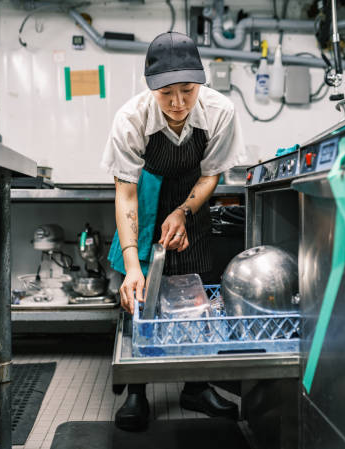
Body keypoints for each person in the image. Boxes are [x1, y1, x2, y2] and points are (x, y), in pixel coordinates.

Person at [101, 31, 246, 431]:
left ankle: (196, 387)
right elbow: (126, 194)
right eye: (167, 93)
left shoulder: (219, 112)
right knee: (140, 295)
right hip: (146, 205)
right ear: (151, 89)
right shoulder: (131, 119)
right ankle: (136, 391)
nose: (179, 103)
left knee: (196, 289)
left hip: (192, 205)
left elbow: (212, 173)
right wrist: (133, 264)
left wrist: (184, 211)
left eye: (188, 90)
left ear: (200, 81)